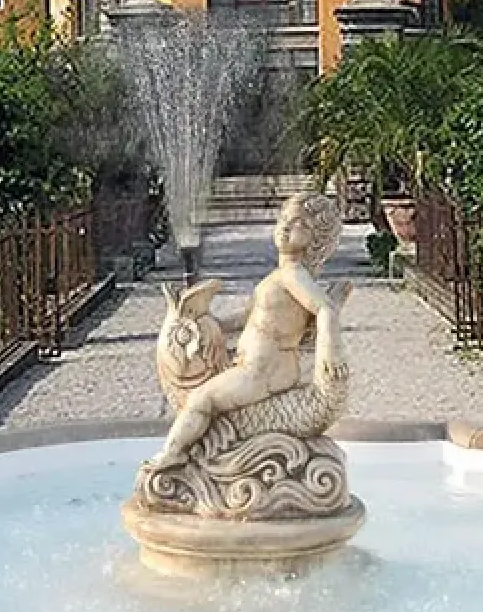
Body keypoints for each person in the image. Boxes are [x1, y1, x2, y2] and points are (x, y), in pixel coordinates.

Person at [147, 192, 351, 469]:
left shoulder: (294, 275)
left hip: (263, 372)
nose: (286, 226)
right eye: (283, 219)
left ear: (315, 239)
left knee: (200, 399)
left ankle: (174, 454)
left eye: (299, 223)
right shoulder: (280, 275)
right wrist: (216, 323)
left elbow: (325, 308)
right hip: (255, 367)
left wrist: (332, 354)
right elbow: (250, 316)